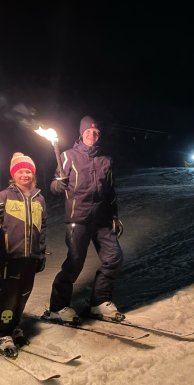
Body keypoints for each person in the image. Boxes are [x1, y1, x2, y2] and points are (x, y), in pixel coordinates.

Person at [43, 115, 124, 323]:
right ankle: (58, 306)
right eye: (89, 131)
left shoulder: (106, 159)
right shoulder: (68, 156)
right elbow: (54, 185)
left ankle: (99, 302)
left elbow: (110, 191)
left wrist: (114, 215)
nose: (92, 134)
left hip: (103, 219)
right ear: (81, 133)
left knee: (113, 258)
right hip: (77, 219)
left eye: (96, 132)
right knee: (75, 262)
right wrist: (58, 185)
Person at [0, 152, 47, 357]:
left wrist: (41, 253)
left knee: (23, 294)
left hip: (31, 257)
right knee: (8, 295)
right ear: (14, 175)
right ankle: (0, 332)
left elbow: (42, 227)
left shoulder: (40, 198)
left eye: (28, 171)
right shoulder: (4, 196)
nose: (25, 174)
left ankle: (13, 325)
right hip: (10, 256)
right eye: (21, 171)